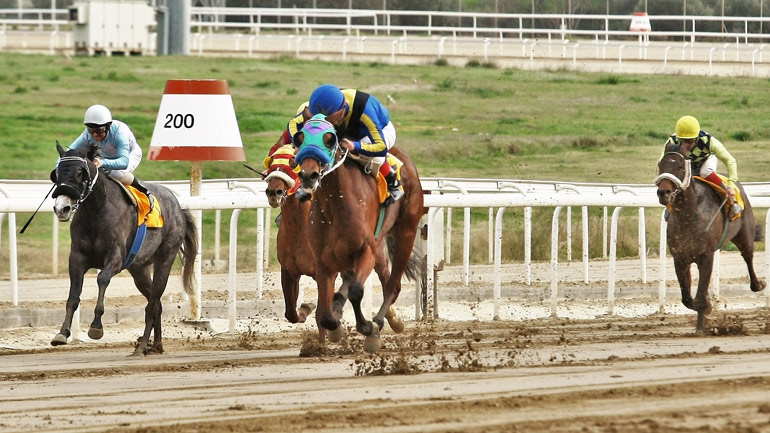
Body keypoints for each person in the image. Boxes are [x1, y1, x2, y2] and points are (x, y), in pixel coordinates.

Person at [286, 84, 404, 205]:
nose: (327, 122)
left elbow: (381, 147)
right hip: (346, 131)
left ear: (342, 111)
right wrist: (299, 144)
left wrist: (355, 146)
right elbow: (293, 123)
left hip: (378, 132)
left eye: (330, 120)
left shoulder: (366, 110)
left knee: (374, 156)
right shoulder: (317, 107)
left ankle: (392, 180)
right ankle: (309, 184)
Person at [66, 104, 152, 203]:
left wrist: (102, 162)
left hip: (129, 155)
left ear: (108, 127)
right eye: (91, 130)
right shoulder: (87, 134)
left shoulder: (120, 133)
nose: (95, 135)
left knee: (116, 173)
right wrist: (60, 169)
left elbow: (124, 162)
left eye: (99, 131)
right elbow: (68, 152)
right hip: (104, 157)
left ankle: (142, 190)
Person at [662, 115, 742, 216]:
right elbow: (662, 161)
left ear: (696, 138)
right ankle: (671, 205)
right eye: (683, 141)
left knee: (705, 172)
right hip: (686, 162)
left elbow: (730, 160)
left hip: (705, 160)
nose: (686, 145)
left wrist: (731, 185)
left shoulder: (708, 141)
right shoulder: (672, 141)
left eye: (690, 141)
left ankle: (730, 198)